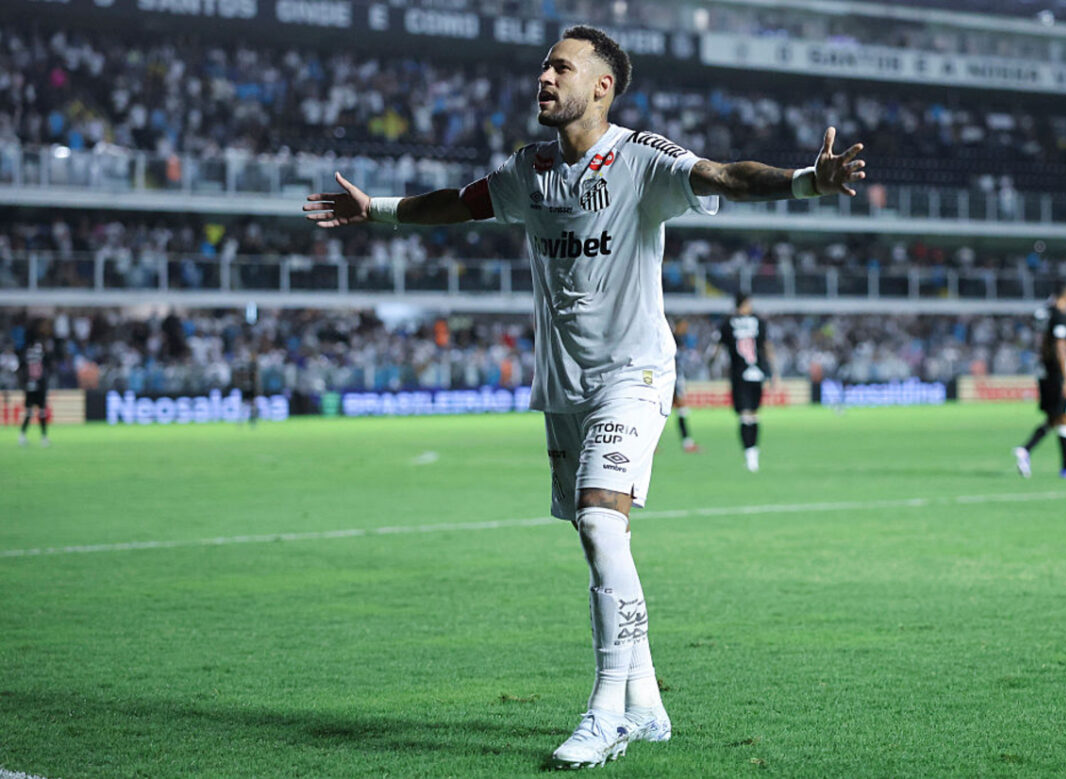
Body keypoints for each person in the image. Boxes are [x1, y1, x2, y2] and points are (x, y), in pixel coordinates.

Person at [304, 25, 865, 768]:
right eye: (544, 66)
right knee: (604, 541)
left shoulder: (642, 159)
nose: (544, 77)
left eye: (561, 68)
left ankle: (605, 714)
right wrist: (374, 208)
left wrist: (806, 181)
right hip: (566, 384)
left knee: (600, 522)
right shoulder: (529, 170)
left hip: (634, 374)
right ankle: (648, 704)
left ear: (601, 87)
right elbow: (459, 204)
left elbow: (726, 176)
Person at [1014, 284, 1066, 480]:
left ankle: (1025, 450)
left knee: (1054, 418)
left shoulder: (1044, 314)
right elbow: (1060, 347)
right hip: (1057, 373)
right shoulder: (1058, 316)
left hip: (1044, 371)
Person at [717, 293, 776, 472]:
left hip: (739, 374)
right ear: (744, 304)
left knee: (744, 415)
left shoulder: (727, 323)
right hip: (757, 373)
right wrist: (773, 373)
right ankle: (753, 455)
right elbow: (766, 346)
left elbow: (717, 348)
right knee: (754, 415)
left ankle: (749, 455)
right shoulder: (758, 321)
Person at [672, 319, 700, 452]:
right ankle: (687, 443)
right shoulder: (672, 339)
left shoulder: (681, 340)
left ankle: (687, 442)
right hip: (672, 379)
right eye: (683, 326)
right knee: (680, 408)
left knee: (681, 409)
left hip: (677, 377)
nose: (685, 328)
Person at [18, 341, 50, 447]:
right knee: (29, 413)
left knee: (41, 413)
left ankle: (43, 437)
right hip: (31, 390)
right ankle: (23, 435)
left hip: (39, 390)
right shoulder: (27, 364)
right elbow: (22, 374)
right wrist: (26, 385)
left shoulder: (42, 363)